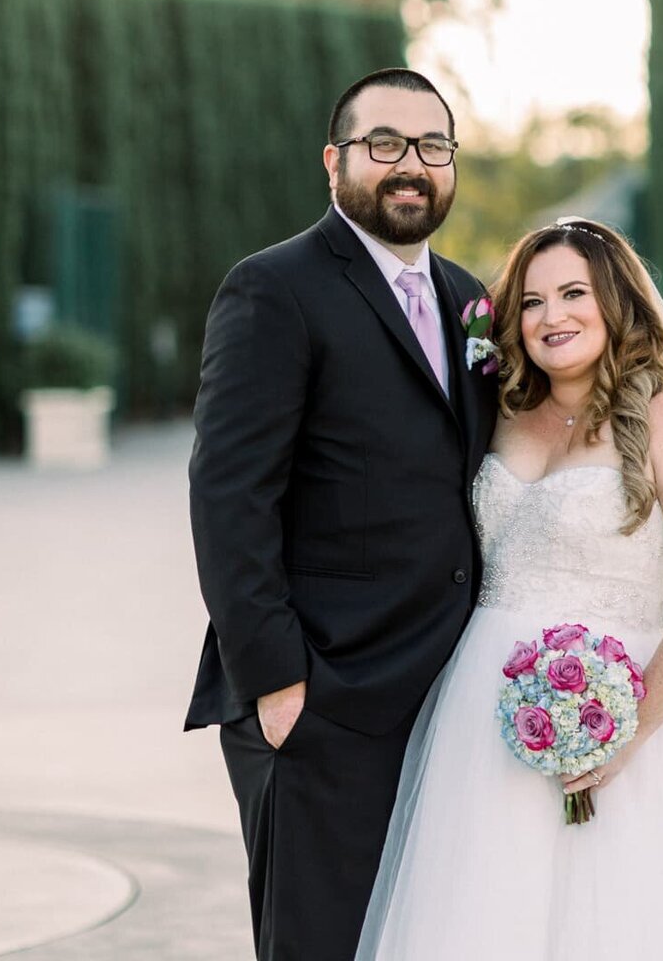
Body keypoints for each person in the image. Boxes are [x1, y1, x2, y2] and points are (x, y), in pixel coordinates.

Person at [355, 217, 663, 960]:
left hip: (627, 721)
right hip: (481, 727)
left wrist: (627, 730)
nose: (552, 317)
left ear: (616, 302)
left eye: (573, 293)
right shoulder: (503, 413)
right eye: (532, 302)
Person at [185, 67, 499, 961]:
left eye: (432, 147)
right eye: (385, 144)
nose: (411, 165)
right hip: (323, 700)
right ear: (336, 162)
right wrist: (279, 683)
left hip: (445, 699)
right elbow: (228, 497)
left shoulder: (471, 301)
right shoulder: (273, 290)